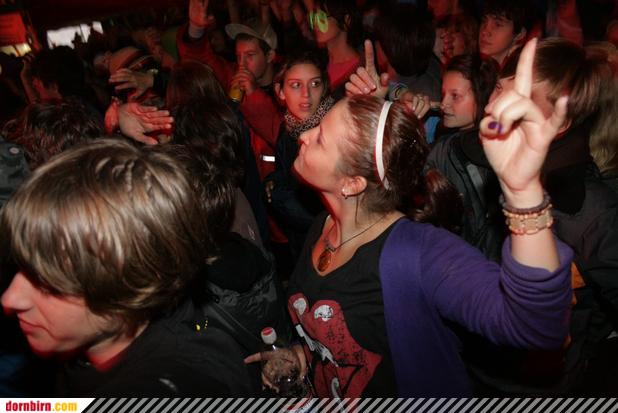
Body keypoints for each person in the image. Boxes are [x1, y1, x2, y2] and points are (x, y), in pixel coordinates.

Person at [246, 38, 573, 397]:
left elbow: (537, 326)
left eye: (322, 138)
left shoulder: (416, 254)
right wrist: (302, 355)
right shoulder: (322, 226)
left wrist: (523, 192)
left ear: (352, 183)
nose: (305, 135)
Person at [433, 37, 617, 395]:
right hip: (475, 363)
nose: (497, 106)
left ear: (559, 124)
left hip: (537, 387)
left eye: (523, 101)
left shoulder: (591, 209)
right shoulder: (472, 151)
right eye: (501, 89)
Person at [0, 139, 255, 396]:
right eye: (21, 266)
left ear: (131, 280)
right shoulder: (75, 352)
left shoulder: (176, 385)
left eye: (47, 282)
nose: (10, 299)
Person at [425, 54, 502, 261]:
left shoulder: (448, 149)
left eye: (455, 96)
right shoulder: (504, 140)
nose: (444, 104)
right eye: (443, 94)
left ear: (483, 97)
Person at [266, 49, 334, 260]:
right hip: (301, 245)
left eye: (315, 84)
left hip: (329, 246)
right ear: (280, 91)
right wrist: (273, 181)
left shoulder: (334, 131)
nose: (306, 94)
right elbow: (286, 173)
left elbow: (325, 213)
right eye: (296, 85)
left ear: (324, 87)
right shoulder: (288, 128)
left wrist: (278, 197)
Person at [479, 0, 530, 66]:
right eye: (484, 21)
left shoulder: (524, 68)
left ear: (520, 34)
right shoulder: (478, 66)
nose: (484, 32)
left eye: (498, 25)